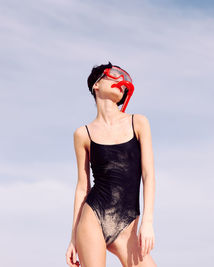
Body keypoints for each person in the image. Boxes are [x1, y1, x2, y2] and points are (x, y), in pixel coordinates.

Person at [65, 62, 157, 267]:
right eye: (113, 75)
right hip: (93, 218)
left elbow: (148, 174)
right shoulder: (83, 134)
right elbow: (82, 187)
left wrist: (148, 222)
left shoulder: (138, 122)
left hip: (127, 227)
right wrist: (73, 238)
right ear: (96, 85)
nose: (121, 82)